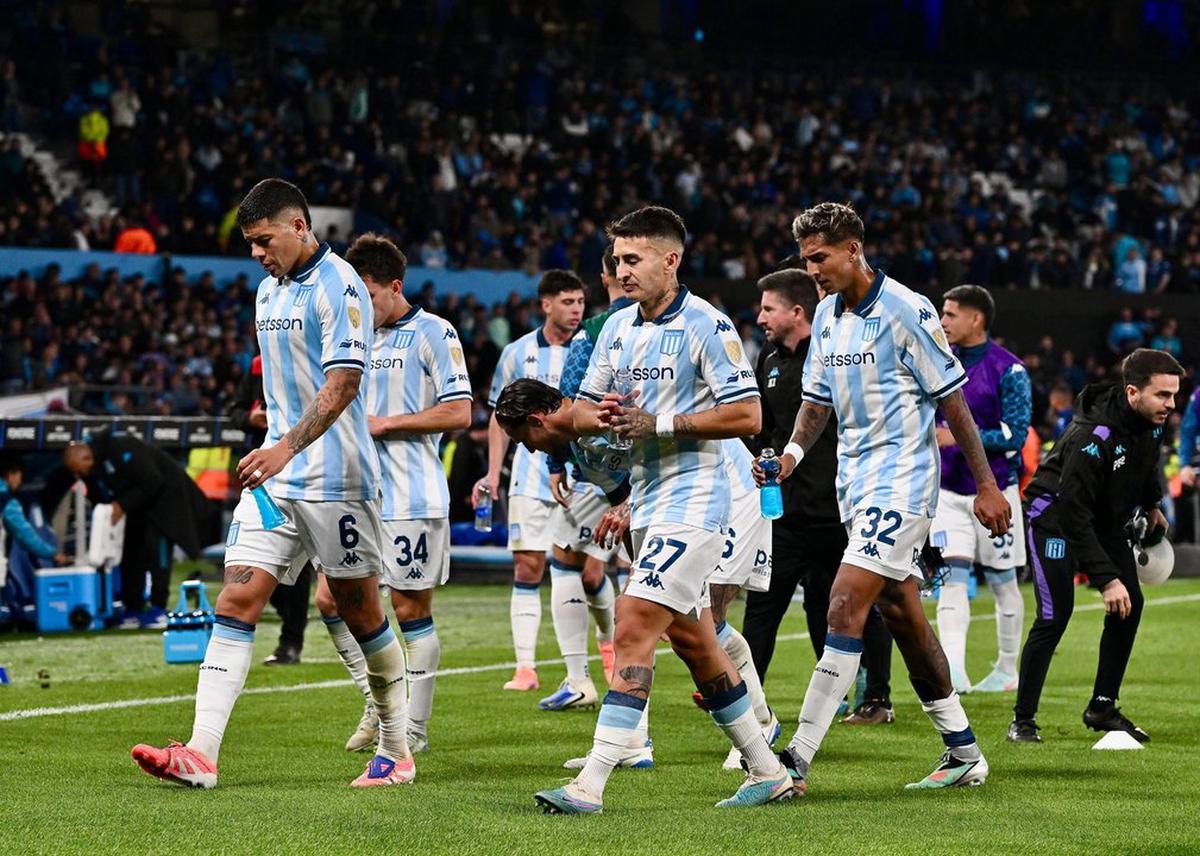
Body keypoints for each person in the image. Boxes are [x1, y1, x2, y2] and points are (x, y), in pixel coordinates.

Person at [130, 178, 413, 789]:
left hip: (337, 480)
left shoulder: (341, 285)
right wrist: (272, 432)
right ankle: (201, 754)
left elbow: (344, 382)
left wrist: (284, 445)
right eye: (250, 244)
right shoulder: (267, 291)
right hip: (276, 481)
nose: (257, 254)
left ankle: (397, 748)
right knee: (235, 600)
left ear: (299, 227)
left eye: (264, 241)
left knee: (362, 614)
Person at [534, 205, 793, 813]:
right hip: (648, 499)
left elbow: (749, 415)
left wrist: (661, 422)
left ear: (670, 260)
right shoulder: (617, 329)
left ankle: (591, 783)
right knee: (697, 643)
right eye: (618, 260)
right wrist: (587, 416)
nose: (622, 270)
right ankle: (767, 770)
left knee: (631, 623)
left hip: (698, 501)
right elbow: (585, 407)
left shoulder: (708, 325)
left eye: (634, 259)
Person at [766, 202, 1009, 792]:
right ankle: (963, 751)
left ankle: (792, 761)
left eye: (820, 257)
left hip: (903, 483)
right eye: (805, 259)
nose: (812, 269)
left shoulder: (907, 310)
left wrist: (986, 484)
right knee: (902, 613)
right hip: (854, 484)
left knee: (843, 604)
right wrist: (790, 458)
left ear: (853, 250)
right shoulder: (827, 315)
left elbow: (953, 401)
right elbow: (816, 403)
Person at [314, 233, 471, 755]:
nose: (361, 308)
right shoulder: (351, 336)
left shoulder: (434, 332)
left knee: (409, 611)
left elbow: (460, 411)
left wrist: (388, 424)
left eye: (370, 296)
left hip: (411, 496)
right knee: (331, 599)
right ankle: (379, 704)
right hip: (356, 493)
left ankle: (413, 729)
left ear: (395, 287)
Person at [746, 268, 896, 726]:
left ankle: (876, 698)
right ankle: (745, 701)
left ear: (797, 312)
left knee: (851, 605)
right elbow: (765, 428)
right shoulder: (769, 360)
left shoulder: (835, 354)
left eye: (768, 309)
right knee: (762, 604)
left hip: (837, 511)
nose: (760, 318)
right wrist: (760, 458)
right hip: (785, 512)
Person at [1009, 349, 1182, 743]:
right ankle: (1022, 721)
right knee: (1054, 616)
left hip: (1102, 520)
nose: (1171, 404)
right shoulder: (1095, 434)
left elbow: (1145, 463)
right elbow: (1073, 512)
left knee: (1130, 605)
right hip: (1054, 517)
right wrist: (1106, 579)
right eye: (1162, 395)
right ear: (1133, 392)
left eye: (1174, 395)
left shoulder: (1152, 423)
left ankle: (1102, 707)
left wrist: (1152, 503)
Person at [474, 270, 585, 692]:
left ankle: (605, 654)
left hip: (581, 476)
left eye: (580, 302)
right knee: (527, 565)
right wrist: (493, 472)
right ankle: (526, 668)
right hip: (530, 473)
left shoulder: (589, 348)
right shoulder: (517, 352)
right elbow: (500, 418)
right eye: (568, 302)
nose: (576, 310)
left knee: (589, 571)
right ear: (546, 305)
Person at [537, 246, 627, 711]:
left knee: (565, 558)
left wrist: (556, 463)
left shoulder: (592, 332)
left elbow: (566, 406)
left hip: (603, 469)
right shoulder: (677, 324)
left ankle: (579, 678)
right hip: (668, 470)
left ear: (604, 276)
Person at [933, 285, 1032, 693]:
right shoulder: (939, 362)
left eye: (950, 314)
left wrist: (958, 438)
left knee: (1003, 580)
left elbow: (1016, 434)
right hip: (947, 492)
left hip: (996, 493)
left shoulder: (1010, 370)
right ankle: (953, 671)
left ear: (976, 319)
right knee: (951, 577)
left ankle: (1007, 669)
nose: (942, 321)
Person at [63, 430, 215, 628]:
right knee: (130, 556)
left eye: (78, 470)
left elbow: (153, 479)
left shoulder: (122, 446)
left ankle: (158, 609)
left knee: (157, 555)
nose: (78, 475)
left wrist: (121, 505)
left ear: (86, 458)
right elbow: (100, 495)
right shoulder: (93, 469)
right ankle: (133, 610)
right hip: (137, 509)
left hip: (165, 506)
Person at [227, 353, 314, 666]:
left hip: (302, 470)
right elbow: (235, 411)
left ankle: (291, 641)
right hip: (258, 473)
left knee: (299, 567)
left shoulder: (308, 357)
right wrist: (250, 419)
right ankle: (289, 621)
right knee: (255, 559)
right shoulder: (257, 365)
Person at [1, 453, 70, 585]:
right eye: (20, 476)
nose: (20, 482)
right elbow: (25, 536)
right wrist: (52, 553)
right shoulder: (6, 501)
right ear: (11, 474)